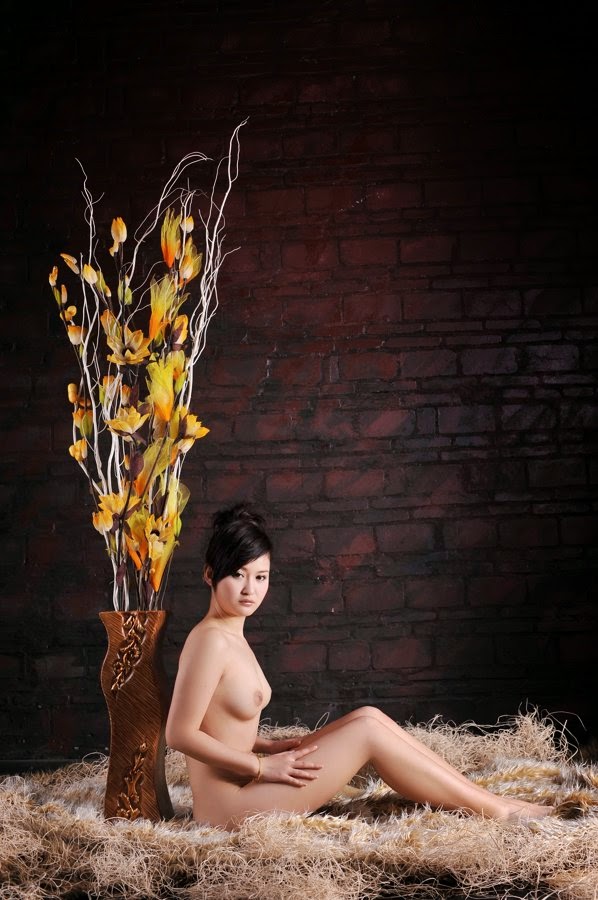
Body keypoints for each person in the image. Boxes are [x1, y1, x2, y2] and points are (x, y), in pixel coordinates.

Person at [165, 503, 554, 830]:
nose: (250, 589)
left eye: (261, 576)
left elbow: (216, 722)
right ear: (210, 574)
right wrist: (260, 766)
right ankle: (497, 812)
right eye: (237, 575)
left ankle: (488, 799)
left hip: (247, 786)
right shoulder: (210, 640)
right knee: (366, 732)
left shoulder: (230, 635)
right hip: (230, 809)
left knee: (368, 716)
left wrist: (264, 746)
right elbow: (179, 733)